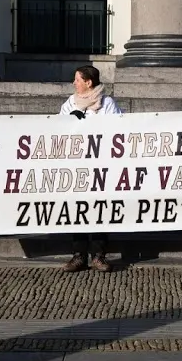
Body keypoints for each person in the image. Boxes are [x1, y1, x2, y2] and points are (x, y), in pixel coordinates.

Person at [59, 65, 122, 272]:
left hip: (100, 165)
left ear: (88, 82)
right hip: (77, 166)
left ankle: (98, 255)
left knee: (100, 208)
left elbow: (116, 129)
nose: (74, 83)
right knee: (77, 209)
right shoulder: (70, 103)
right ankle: (78, 255)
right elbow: (58, 127)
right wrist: (71, 121)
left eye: (77, 80)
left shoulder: (107, 103)